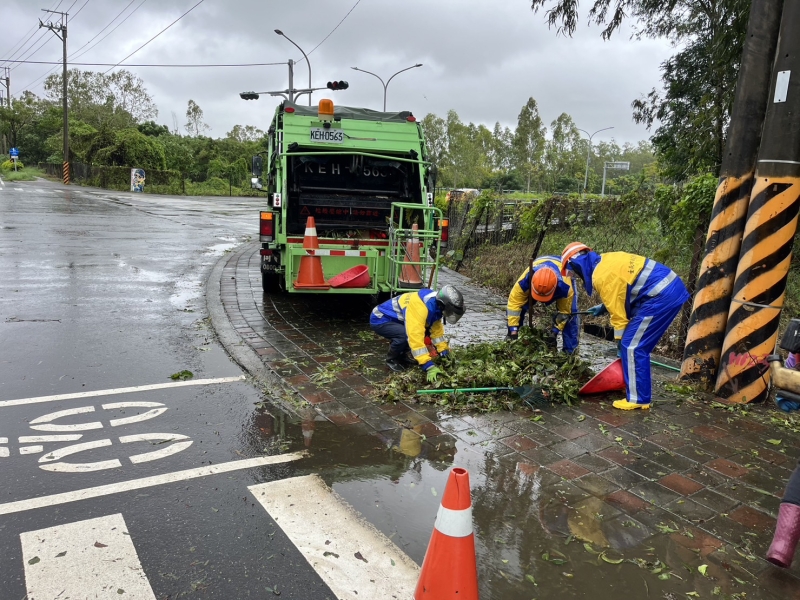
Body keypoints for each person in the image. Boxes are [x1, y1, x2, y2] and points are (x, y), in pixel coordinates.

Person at [560, 242, 689, 410]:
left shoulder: (601, 276)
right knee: (635, 345)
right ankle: (636, 388)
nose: (575, 276)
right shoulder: (603, 261)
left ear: (576, 264)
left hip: (660, 295)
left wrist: (620, 342)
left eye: (573, 272)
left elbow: (619, 318)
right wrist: (603, 307)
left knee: (633, 347)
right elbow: (622, 289)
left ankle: (638, 399)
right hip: (666, 289)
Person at [370, 285, 465, 379]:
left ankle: (402, 357)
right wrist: (427, 365)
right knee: (404, 336)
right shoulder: (421, 307)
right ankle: (392, 360)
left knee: (413, 332)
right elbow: (415, 337)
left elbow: (436, 332)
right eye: (450, 311)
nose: (450, 313)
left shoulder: (435, 306)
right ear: (443, 305)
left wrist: (444, 350)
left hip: (395, 320)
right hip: (380, 319)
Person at [506, 256, 579, 354]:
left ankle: (570, 353)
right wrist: (513, 330)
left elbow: (564, 312)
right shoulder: (525, 280)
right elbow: (513, 305)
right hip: (540, 264)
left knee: (571, 315)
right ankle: (514, 339)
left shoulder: (565, 288)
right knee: (519, 308)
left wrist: (554, 332)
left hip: (563, 269)